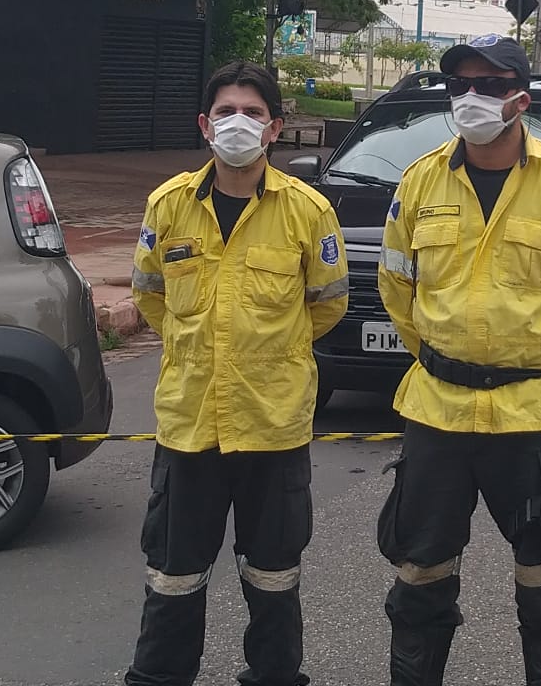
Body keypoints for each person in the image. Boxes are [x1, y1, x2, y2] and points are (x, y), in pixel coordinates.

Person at [375, 34, 541, 686]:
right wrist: (443, 357)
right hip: (438, 411)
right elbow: (397, 290)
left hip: (529, 415)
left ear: (521, 97)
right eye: (460, 85)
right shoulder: (421, 180)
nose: (471, 98)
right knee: (420, 579)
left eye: (489, 85)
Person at [126, 61, 349, 686]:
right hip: (190, 426)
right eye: (225, 111)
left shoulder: (307, 210)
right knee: (173, 577)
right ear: (204, 124)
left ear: (274, 129)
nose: (238, 123)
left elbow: (327, 304)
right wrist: (196, 343)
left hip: (271, 427)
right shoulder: (168, 205)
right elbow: (149, 294)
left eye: (253, 113)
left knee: (273, 580)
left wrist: (269, 353)